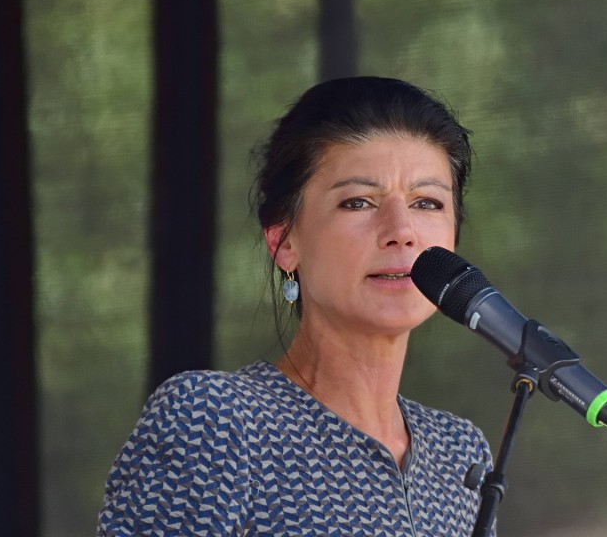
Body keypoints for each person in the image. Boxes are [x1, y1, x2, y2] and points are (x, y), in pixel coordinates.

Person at [97, 77, 493, 536]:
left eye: (427, 202)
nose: (401, 230)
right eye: (358, 201)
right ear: (284, 242)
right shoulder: (217, 421)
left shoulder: (460, 454)